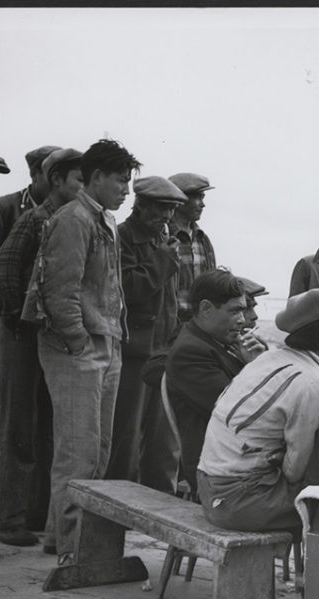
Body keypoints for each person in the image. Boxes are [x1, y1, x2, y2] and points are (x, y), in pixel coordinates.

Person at [20, 139, 141, 564]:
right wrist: (77, 342)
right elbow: (59, 291)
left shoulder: (102, 219)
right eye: (121, 180)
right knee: (78, 453)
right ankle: (74, 551)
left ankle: (61, 538)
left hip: (105, 343)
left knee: (97, 450)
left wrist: (107, 343)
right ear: (96, 177)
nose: (126, 189)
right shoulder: (73, 219)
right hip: (78, 347)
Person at [196, 289, 319, 532]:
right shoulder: (314, 385)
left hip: (209, 488)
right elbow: (294, 472)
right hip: (241, 503)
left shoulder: (268, 359)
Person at [0, 148, 84, 546]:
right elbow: (6, 268)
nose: (82, 187)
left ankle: (32, 515)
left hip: (47, 338)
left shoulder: (66, 220)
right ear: (56, 181)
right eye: (78, 179)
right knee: (18, 428)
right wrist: (16, 321)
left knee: (46, 428)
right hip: (23, 337)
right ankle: (10, 520)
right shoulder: (34, 219)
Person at [105, 176, 189, 493]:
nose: (168, 216)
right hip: (136, 351)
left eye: (172, 209)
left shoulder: (160, 240)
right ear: (141, 205)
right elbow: (129, 289)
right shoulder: (124, 237)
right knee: (126, 435)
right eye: (162, 208)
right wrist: (164, 261)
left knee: (163, 438)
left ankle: (158, 503)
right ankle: (117, 504)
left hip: (163, 348)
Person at [165, 270, 259, 495]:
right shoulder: (191, 351)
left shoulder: (213, 342)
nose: (242, 319)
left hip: (235, 462)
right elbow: (242, 413)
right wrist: (254, 367)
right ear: (206, 309)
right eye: (235, 311)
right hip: (222, 474)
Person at [169, 173, 217, 322]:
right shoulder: (164, 236)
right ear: (180, 199)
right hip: (170, 326)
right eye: (198, 198)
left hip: (198, 325)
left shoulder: (203, 239)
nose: (202, 204)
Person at [0, 144, 60, 251]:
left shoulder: (69, 209)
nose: (58, 181)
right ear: (34, 175)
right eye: (53, 175)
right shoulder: (2, 208)